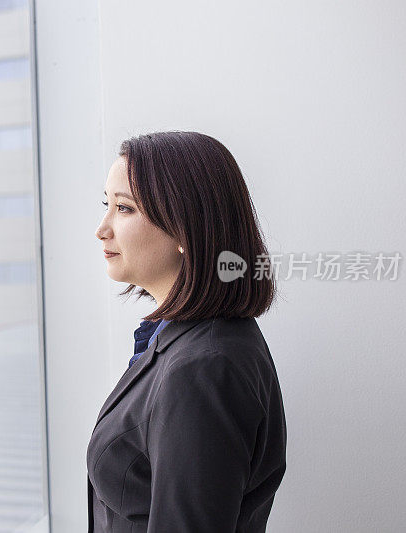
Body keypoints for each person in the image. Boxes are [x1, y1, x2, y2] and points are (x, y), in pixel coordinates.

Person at [89, 131, 287, 532]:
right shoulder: (185, 339)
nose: (102, 228)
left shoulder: (203, 369)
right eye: (106, 205)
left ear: (183, 228)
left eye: (124, 209)